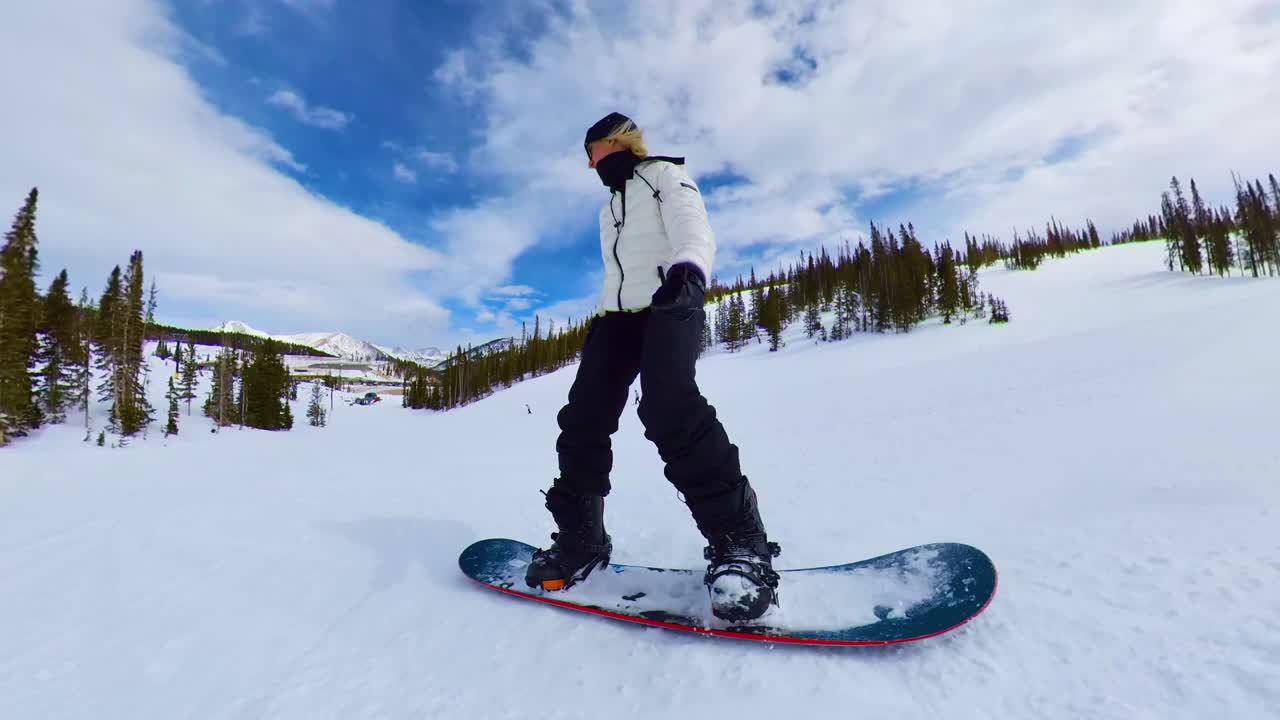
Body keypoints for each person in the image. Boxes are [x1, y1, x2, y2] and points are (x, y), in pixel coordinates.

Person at [523, 112, 781, 622]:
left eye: (589, 152)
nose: (588, 163)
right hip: (616, 317)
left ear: (610, 143)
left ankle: (741, 544)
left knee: (668, 409)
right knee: (583, 420)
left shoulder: (664, 175)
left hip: (670, 302)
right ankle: (582, 538)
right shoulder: (609, 209)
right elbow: (619, 271)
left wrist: (688, 272)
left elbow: (694, 228)